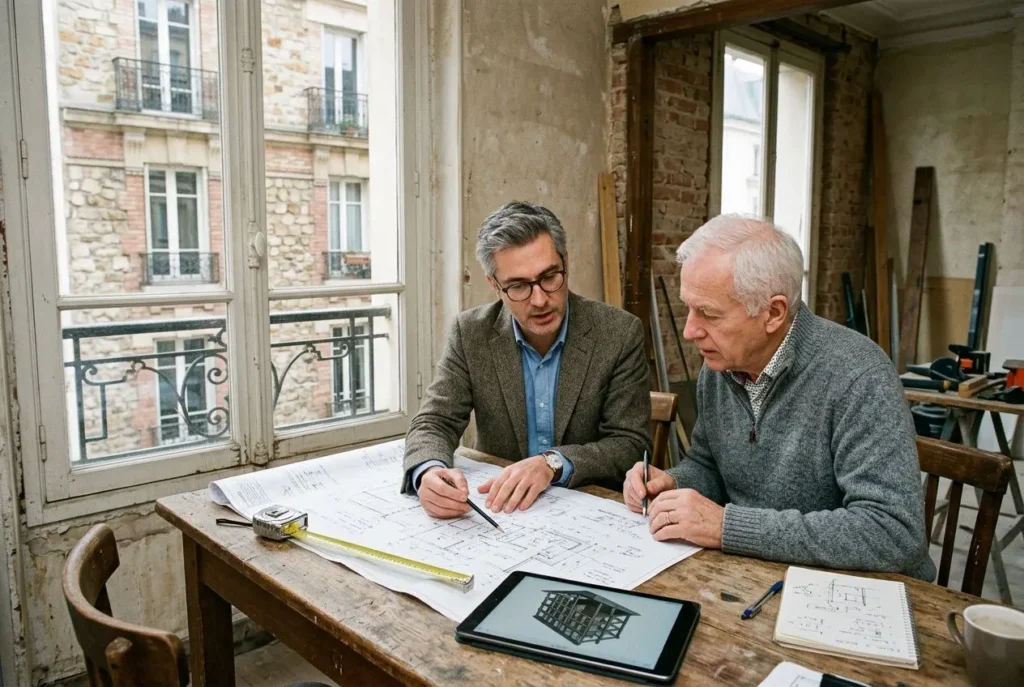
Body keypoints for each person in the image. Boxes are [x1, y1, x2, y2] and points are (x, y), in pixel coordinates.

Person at [624, 214, 935, 581]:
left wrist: (728, 527)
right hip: (761, 575)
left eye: (709, 314)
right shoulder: (719, 370)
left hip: (863, 594)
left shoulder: (858, 377)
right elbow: (709, 466)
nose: (691, 330)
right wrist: (674, 483)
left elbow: (892, 532)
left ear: (773, 313)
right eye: (688, 308)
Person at [403, 201, 651, 518]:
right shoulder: (471, 333)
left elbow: (630, 445)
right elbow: (434, 421)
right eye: (519, 285)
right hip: (502, 512)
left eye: (549, 277)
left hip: (588, 512)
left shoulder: (618, 333)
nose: (540, 300)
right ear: (494, 285)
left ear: (566, 262)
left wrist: (552, 463)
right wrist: (427, 471)